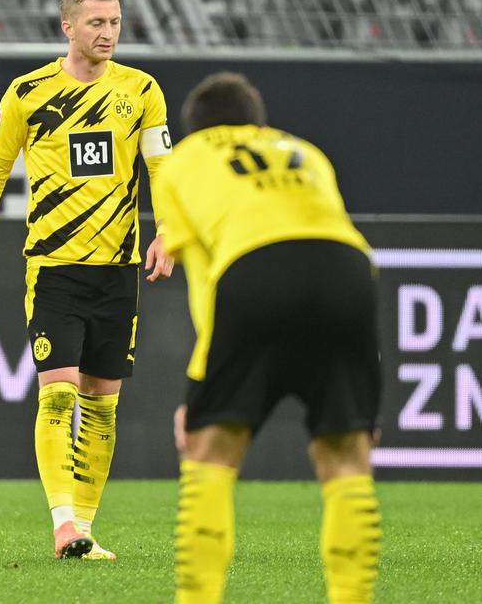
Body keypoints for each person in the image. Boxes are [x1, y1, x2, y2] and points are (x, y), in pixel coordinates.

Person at [0, 0, 174, 561]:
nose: (108, 33)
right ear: (68, 27)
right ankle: (63, 524)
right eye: (96, 22)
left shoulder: (142, 90)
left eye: (115, 21)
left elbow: (162, 171)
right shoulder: (28, 92)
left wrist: (168, 231)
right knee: (57, 395)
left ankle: (85, 530)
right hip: (54, 270)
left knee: (102, 402)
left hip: (118, 269)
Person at [156, 72, 381, 604]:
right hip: (349, 270)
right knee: (347, 454)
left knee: (211, 453)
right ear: (256, 121)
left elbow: (204, 279)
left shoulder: (182, 162)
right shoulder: (305, 150)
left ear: (195, 126)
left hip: (254, 266)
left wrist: (199, 391)